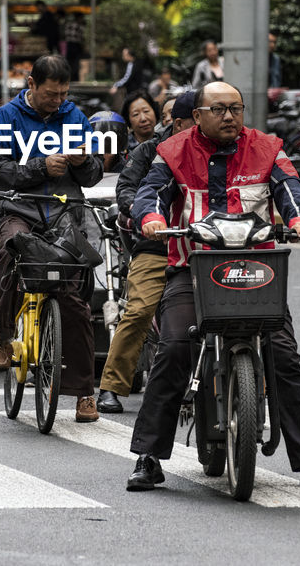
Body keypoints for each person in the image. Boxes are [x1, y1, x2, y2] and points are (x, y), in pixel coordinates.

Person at [127, 81, 300, 491]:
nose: (229, 116)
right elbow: (150, 193)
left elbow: (291, 188)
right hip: (191, 271)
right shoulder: (171, 152)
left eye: (236, 108)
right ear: (197, 116)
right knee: (174, 346)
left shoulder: (267, 147)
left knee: (283, 355)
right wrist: (151, 219)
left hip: (255, 270)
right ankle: (148, 457)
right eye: (219, 109)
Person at [0, 54, 104, 423]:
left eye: (64, 94)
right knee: (13, 251)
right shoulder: (6, 117)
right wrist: (40, 166)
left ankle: (84, 393)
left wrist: (84, 163)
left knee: (75, 301)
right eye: (52, 94)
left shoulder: (75, 117)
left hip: (66, 214)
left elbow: (94, 176)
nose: (58, 101)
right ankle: (2, 337)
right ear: (31, 85)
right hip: (20, 210)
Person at [96, 89, 196, 414]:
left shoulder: (229, 150)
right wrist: (143, 214)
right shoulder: (151, 150)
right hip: (158, 246)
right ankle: (111, 386)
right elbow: (127, 188)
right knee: (139, 311)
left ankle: (255, 393)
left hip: (210, 249)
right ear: (180, 122)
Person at [61, 12, 86, 80]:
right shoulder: (80, 26)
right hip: (76, 45)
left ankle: (69, 77)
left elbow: (64, 34)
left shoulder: (68, 25)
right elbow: (82, 37)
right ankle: (75, 77)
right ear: (79, 18)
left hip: (69, 45)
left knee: (69, 62)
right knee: (76, 62)